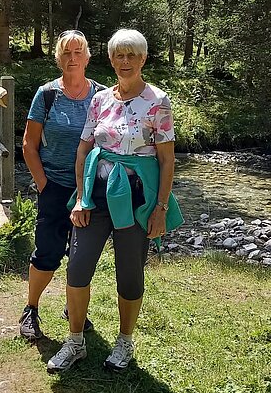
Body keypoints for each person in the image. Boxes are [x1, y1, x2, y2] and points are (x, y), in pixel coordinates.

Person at [47, 28, 183, 373]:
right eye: (119, 56)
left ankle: (124, 341)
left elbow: (166, 160)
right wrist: (80, 197)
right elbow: (84, 149)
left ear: (143, 59)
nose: (125, 62)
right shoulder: (100, 99)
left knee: (129, 272)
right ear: (110, 60)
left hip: (137, 199)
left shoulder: (158, 101)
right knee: (77, 269)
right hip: (97, 195)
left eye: (131, 55)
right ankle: (75, 341)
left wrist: (161, 209)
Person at [19, 30, 104, 341]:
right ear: (58, 57)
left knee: (81, 255)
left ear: (87, 57)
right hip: (54, 186)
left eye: (78, 52)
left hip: (89, 190)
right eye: (66, 53)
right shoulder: (47, 94)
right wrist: (43, 184)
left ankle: (74, 307)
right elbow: (29, 144)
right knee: (48, 252)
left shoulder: (102, 95)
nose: (72, 58)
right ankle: (31, 308)